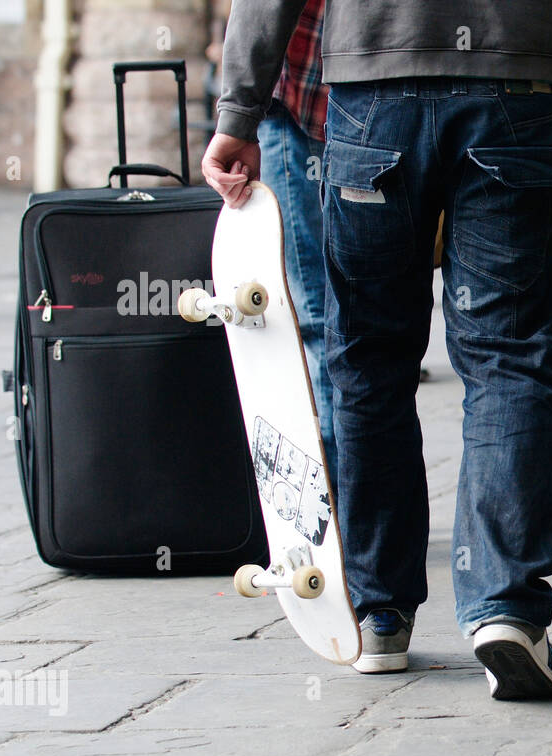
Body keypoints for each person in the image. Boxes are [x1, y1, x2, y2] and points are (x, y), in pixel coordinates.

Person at [204, 1, 552, 700]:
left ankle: (380, 613)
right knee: (509, 356)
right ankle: (505, 606)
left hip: (373, 90)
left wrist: (238, 114)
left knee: (369, 360)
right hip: (513, 86)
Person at [254, 0, 335, 480]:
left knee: (319, 318)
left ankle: (338, 505)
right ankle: (361, 514)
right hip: (364, 101)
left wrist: (236, 114)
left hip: (303, 101)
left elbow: (262, 12)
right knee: (347, 321)